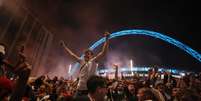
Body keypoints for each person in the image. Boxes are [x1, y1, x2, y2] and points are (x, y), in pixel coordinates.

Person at [61, 32, 110, 96]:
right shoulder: (82, 61)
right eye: (85, 54)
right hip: (79, 90)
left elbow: (103, 52)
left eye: (88, 53)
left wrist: (106, 39)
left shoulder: (94, 61)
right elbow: (72, 55)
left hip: (89, 91)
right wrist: (64, 46)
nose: (86, 55)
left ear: (92, 56)